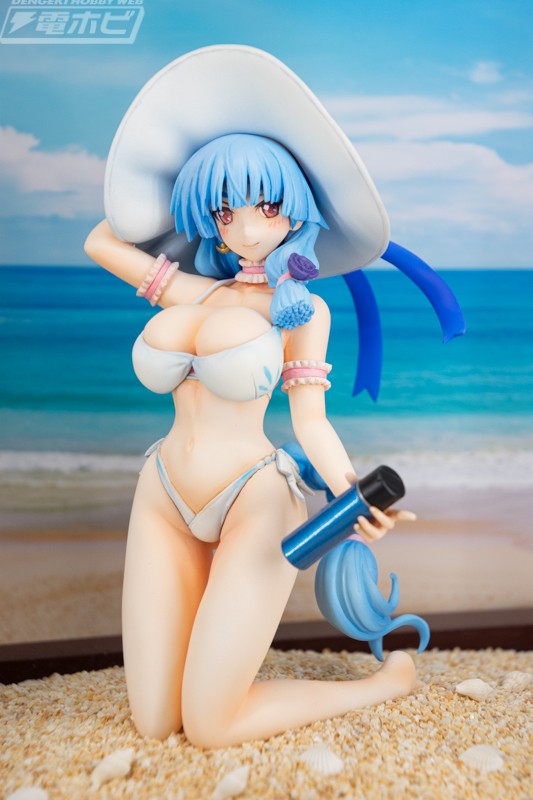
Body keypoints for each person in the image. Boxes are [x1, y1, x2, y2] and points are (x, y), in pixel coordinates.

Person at [85, 46, 462, 748]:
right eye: (223, 210)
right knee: (155, 721)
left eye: (265, 205)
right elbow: (101, 240)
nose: (246, 227)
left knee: (209, 726)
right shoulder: (193, 291)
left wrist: (353, 496)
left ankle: (383, 683)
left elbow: (310, 421)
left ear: (295, 211)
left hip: (253, 500)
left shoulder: (304, 312)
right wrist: (177, 179)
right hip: (162, 490)